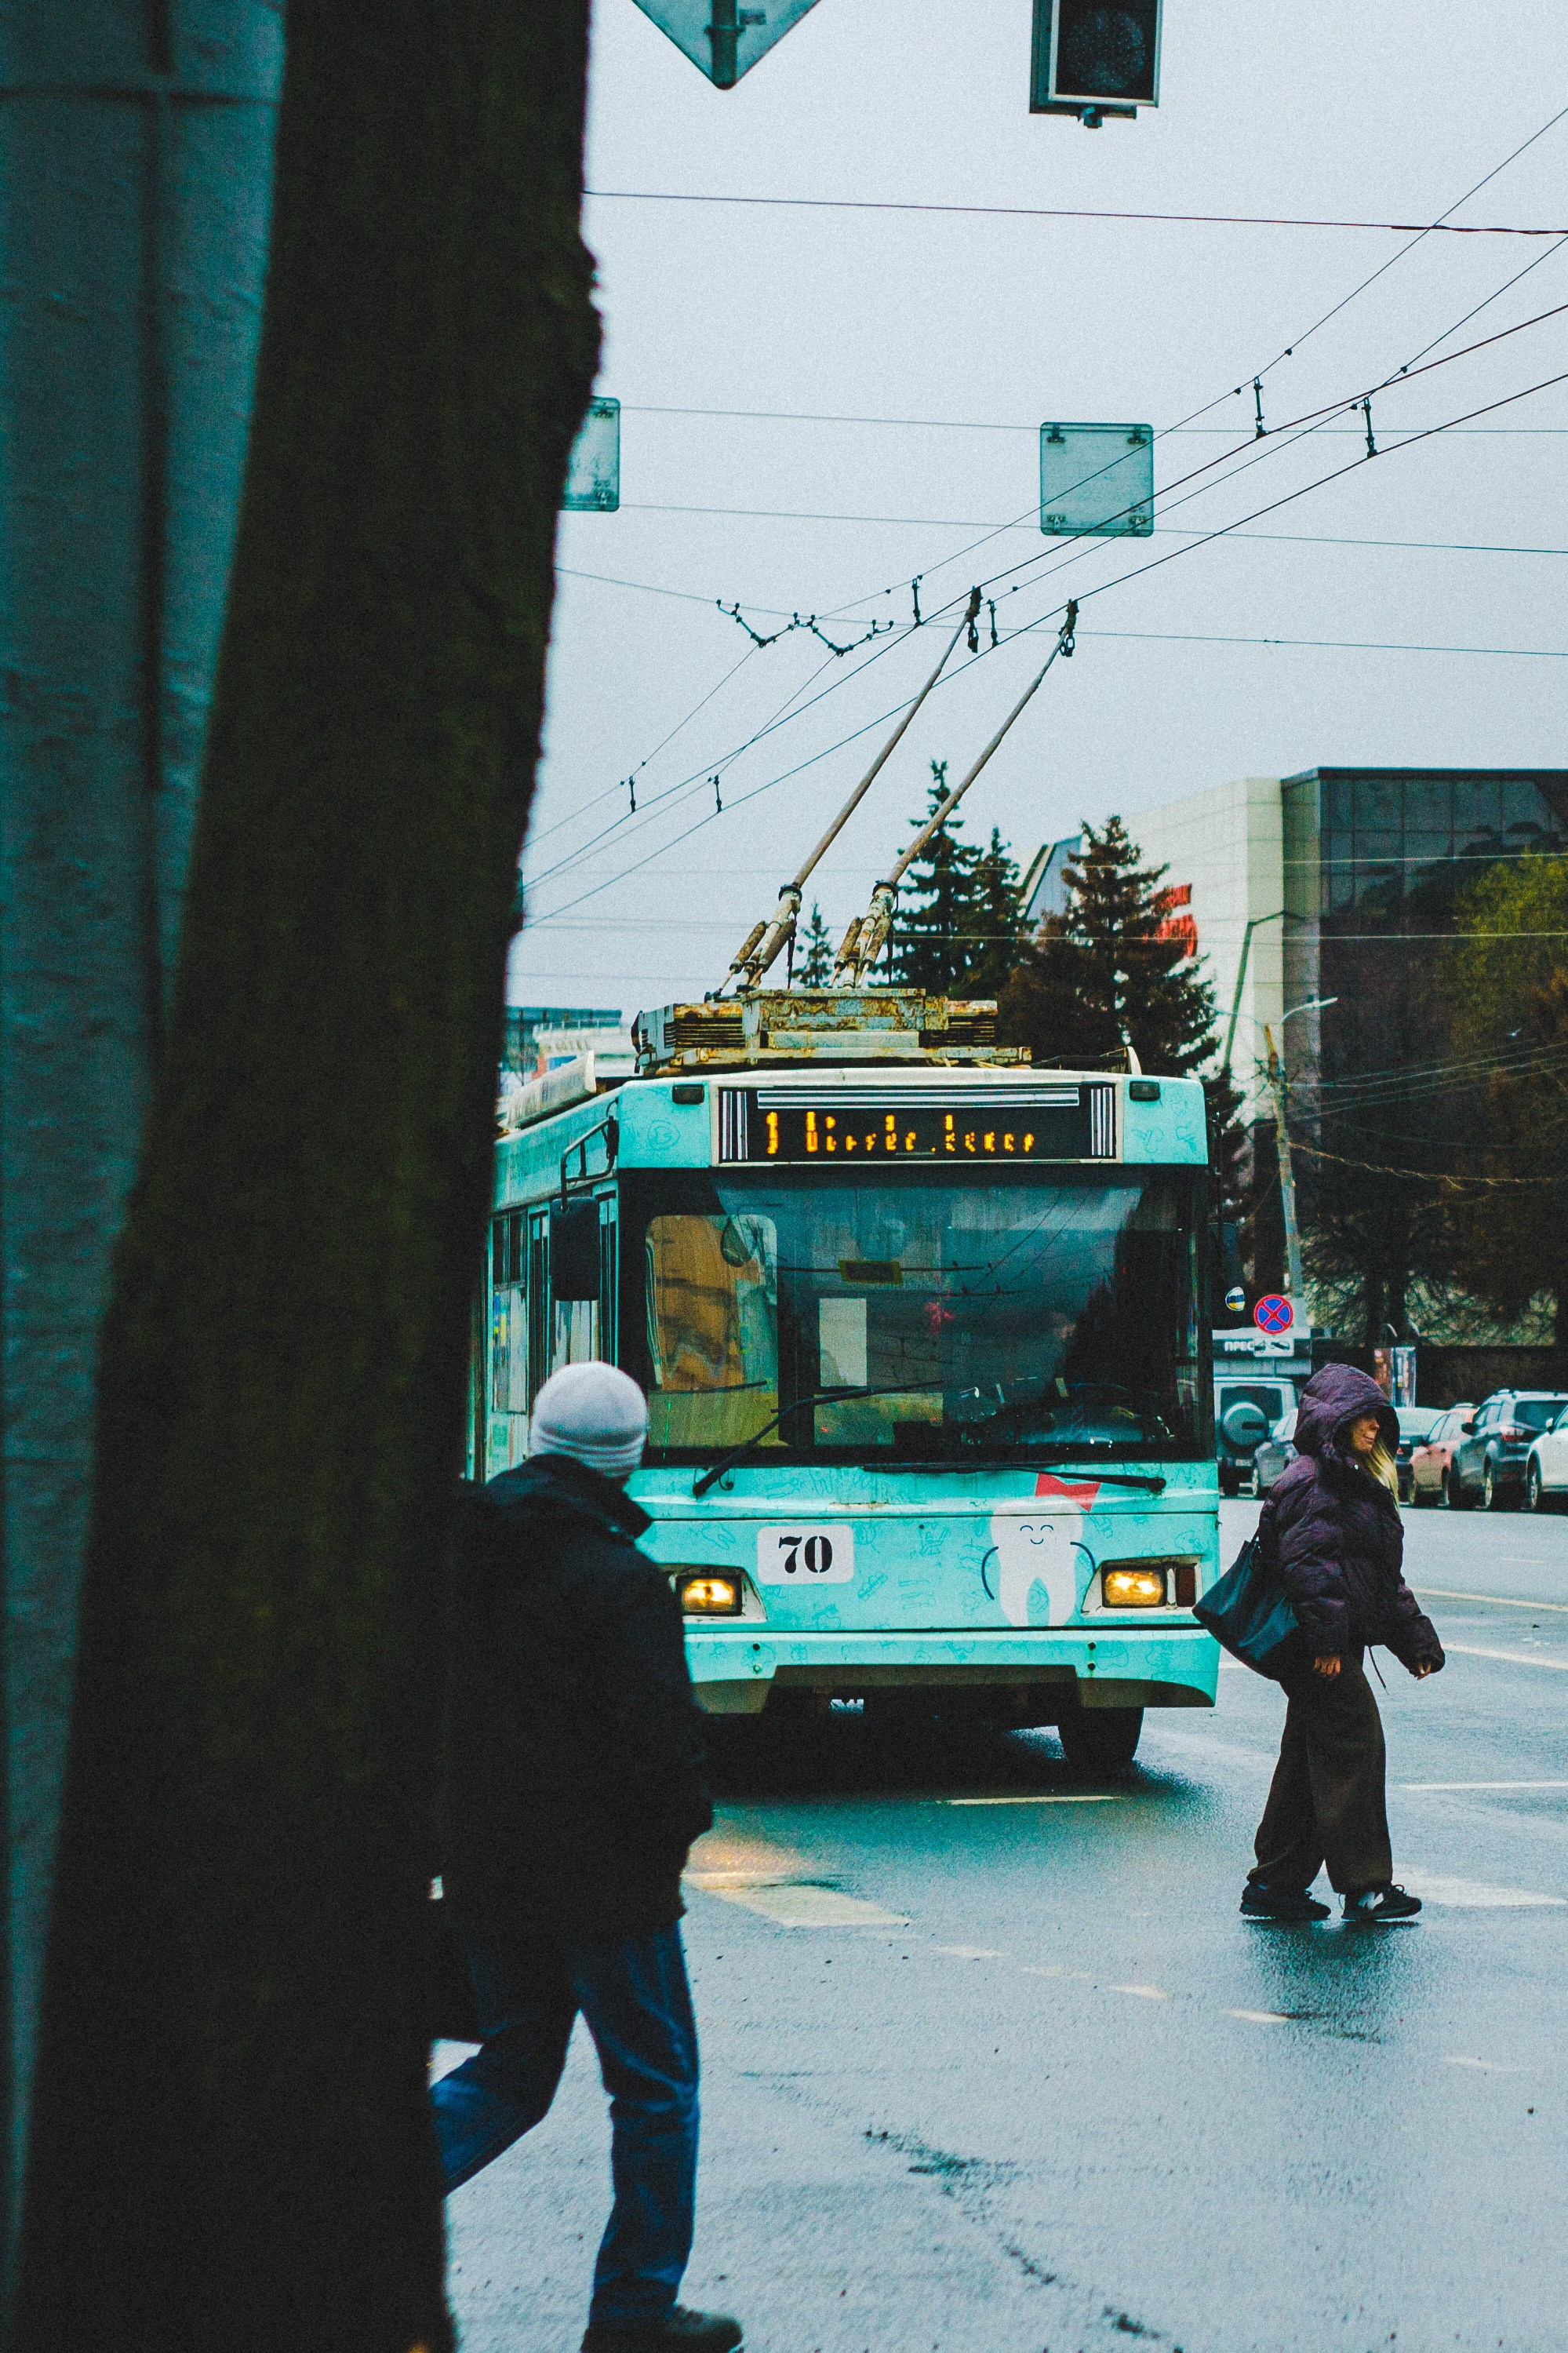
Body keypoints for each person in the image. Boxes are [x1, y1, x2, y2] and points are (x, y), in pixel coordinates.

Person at [433, 1360, 741, 2353]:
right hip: (610, 1882)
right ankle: (634, 2312)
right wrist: (676, 1832)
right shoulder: (617, 1578)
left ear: (537, 1437)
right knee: (655, 2088)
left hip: (488, 1862)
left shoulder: (459, 1554)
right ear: (630, 1455)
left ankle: (350, 2209)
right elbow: (659, 1745)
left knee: (513, 2067)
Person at [1241, 1361, 1445, 1924]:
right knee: (1354, 1742)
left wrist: (1415, 1641)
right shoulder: (1312, 1481)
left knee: (1308, 1759)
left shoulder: (1351, 1481)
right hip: (1316, 1647)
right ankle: (1363, 1887)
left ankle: (1275, 1883)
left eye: (1379, 1417)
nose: (1375, 1426)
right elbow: (1308, 1567)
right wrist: (1327, 1642)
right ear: (1334, 1419)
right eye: (1364, 1416)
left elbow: (1377, 1578)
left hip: (1328, 1643)